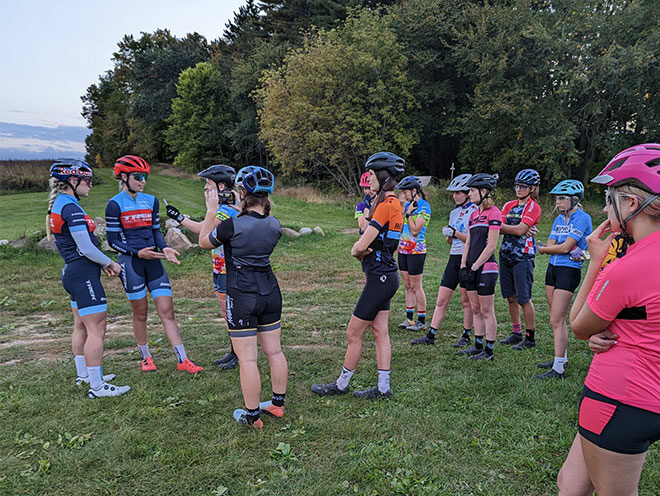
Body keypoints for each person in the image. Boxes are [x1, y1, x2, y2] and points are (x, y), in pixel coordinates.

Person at [557, 143, 660, 496]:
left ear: (632, 203)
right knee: (570, 486)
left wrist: (596, 262)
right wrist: (624, 325)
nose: (604, 207)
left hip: (620, 396)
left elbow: (580, 326)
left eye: (610, 197)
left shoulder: (627, 267)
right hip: (645, 395)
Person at [198, 166, 287, 429]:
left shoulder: (231, 225)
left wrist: (212, 210)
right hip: (270, 291)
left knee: (248, 359)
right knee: (275, 351)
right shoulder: (274, 224)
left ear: (242, 192)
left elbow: (204, 241)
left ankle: (252, 415)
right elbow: (254, 223)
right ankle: (277, 404)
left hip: (241, 294)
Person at [311, 152, 404, 398]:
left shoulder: (385, 206)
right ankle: (383, 388)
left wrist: (356, 250)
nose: (369, 179)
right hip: (387, 275)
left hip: (379, 278)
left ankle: (341, 384)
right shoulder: (395, 204)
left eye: (372, 174)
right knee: (380, 332)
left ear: (384, 176)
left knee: (354, 332)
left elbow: (361, 245)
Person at [105, 155, 203, 374]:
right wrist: (137, 253)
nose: (143, 181)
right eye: (138, 176)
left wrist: (165, 247)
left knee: (167, 311)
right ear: (123, 177)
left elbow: (154, 231)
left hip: (154, 262)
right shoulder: (114, 204)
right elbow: (113, 241)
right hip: (131, 264)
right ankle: (146, 357)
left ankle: (183, 359)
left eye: (145, 176)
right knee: (140, 313)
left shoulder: (151, 200)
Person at [47, 159, 130, 398]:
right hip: (82, 273)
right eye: (88, 181)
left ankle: (85, 375)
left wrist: (100, 262)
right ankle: (97, 386)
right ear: (73, 181)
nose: (90, 186)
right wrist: (110, 262)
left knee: (81, 326)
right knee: (97, 328)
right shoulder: (70, 208)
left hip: (74, 273)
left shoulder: (63, 203)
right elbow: (85, 247)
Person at [164, 164, 241, 370]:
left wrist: (183, 219)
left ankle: (239, 354)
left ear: (221, 185)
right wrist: (180, 218)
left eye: (208, 183)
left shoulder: (227, 210)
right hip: (219, 267)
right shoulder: (221, 208)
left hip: (228, 269)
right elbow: (204, 227)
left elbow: (204, 232)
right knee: (226, 314)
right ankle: (235, 351)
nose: (205, 188)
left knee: (229, 314)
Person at [535, 180, 592, 379]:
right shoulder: (559, 219)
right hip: (553, 268)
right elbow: (554, 243)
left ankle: (558, 369)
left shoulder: (582, 218)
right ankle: (562, 357)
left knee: (556, 319)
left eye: (561, 198)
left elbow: (565, 247)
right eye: (556, 198)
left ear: (574, 200)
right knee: (555, 317)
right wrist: (550, 248)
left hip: (569, 270)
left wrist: (543, 249)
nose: (557, 202)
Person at [411, 174, 477, 346]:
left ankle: (466, 334)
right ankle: (431, 335)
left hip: (467, 258)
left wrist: (455, 233)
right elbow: (452, 241)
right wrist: (449, 235)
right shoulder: (454, 212)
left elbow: (472, 240)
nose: (454, 196)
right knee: (441, 299)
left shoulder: (474, 211)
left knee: (465, 301)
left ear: (467, 193)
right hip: (453, 258)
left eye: (458, 193)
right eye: (453, 193)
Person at [457, 173, 501, 360]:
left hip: (486, 267)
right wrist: (463, 264)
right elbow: (468, 242)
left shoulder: (494, 213)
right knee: (475, 308)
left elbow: (491, 245)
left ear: (484, 192)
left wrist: (475, 266)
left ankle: (489, 350)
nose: (469, 193)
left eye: (472, 190)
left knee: (486, 310)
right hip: (471, 266)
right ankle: (477, 344)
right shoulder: (473, 214)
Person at [498, 169, 542, 350]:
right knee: (510, 296)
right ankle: (516, 332)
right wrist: (516, 227)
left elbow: (518, 230)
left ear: (532, 188)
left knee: (524, 298)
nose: (518, 189)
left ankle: (530, 337)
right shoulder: (509, 205)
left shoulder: (533, 207)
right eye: (516, 185)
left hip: (523, 256)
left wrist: (514, 228)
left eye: (523, 186)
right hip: (505, 253)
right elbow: (498, 226)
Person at [396, 176, 431, 332]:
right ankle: (409, 318)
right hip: (402, 249)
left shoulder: (424, 206)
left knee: (416, 286)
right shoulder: (407, 205)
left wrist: (408, 215)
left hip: (416, 250)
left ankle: (421, 320)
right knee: (408, 285)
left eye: (405, 191)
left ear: (414, 190)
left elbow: (415, 231)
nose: (403, 194)